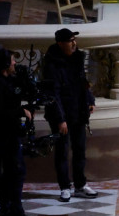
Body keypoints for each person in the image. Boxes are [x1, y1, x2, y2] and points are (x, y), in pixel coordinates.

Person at [42, 28, 97, 202]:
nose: (74, 43)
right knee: (62, 151)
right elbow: (52, 93)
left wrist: (89, 99)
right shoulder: (51, 63)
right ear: (60, 43)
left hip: (78, 111)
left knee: (80, 150)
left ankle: (80, 185)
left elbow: (83, 80)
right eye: (70, 41)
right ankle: (65, 187)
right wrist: (60, 119)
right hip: (62, 114)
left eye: (74, 40)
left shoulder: (77, 58)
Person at [0, 49, 34, 216]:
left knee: (11, 174)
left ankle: (5, 211)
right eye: (12, 61)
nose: (15, 63)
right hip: (3, 135)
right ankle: (15, 212)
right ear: (5, 64)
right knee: (15, 172)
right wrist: (21, 111)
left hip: (9, 133)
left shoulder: (6, 81)